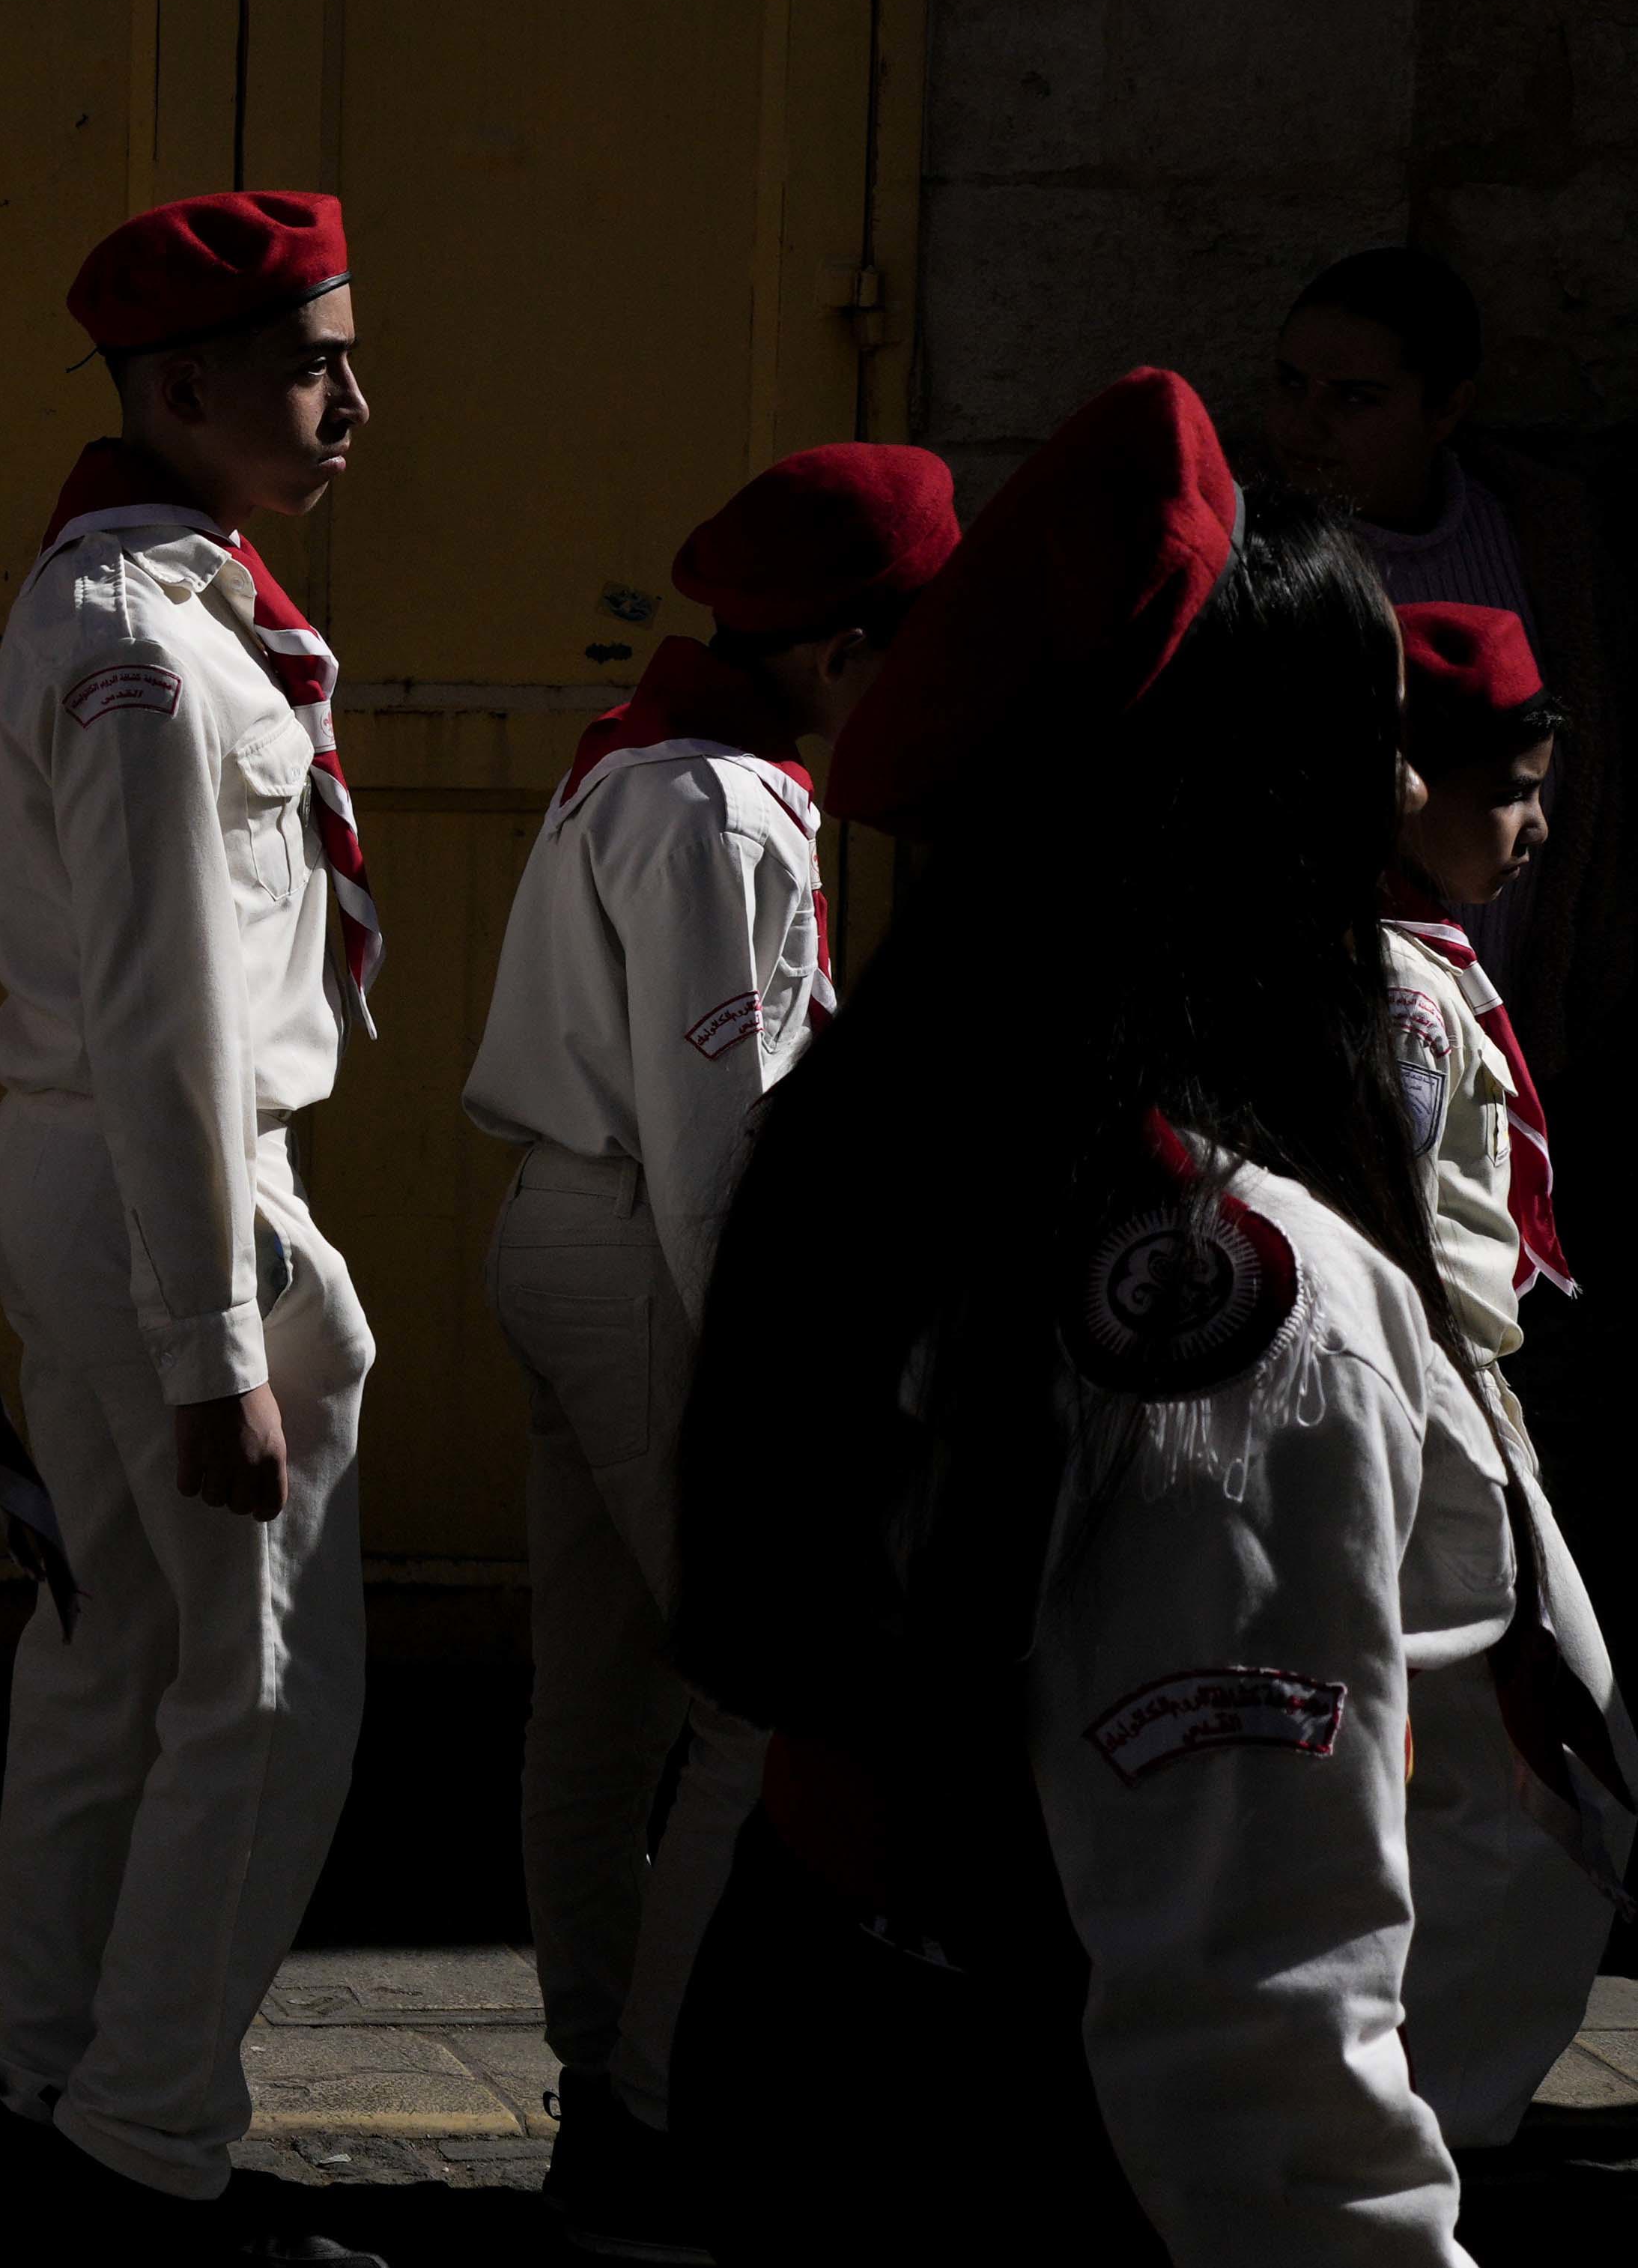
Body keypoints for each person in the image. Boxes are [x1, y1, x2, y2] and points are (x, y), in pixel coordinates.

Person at [664, 369, 1565, 2264]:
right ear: (1253, 803)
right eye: (1369, 744)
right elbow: (1248, 1994)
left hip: (831, 2058)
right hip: (1033, 2131)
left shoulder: (915, 1117)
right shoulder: (1222, 1293)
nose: (1405, 798)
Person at [455, 440, 960, 2258]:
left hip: (570, 1232)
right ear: (843, 650)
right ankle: (652, 2110)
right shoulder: (716, 806)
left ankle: (605, 2074)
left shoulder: (646, 756)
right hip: (656, 1257)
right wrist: (791, 1371)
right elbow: (712, 1134)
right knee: (755, 1692)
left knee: (592, 1700)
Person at [0, 190, 391, 2267]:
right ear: (184, 387)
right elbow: (156, 1006)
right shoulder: (139, 637)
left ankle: (57, 2099)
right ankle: (137, 2150)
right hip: (167, 1171)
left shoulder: (172, 601)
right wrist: (213, 1333)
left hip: (117, 1162)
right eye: (312, 363)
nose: (350, 403)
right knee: (259, 1684)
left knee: (116, 1660)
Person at [1376, 604, 1631, 2176]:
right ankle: (1426, 2135)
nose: (1536, 830)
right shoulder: (1394, 991)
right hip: (1427, 1414)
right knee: (1562, 1788)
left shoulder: (1410, 960)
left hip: (1449, 1401)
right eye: (1509, 792)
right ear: (1403, 785)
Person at [1273, 246, 1608, 1070]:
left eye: (1355, 399)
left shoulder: (1541, 542)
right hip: (1329, 1042)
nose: (1302, 424)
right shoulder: (1263, 568)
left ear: (1448, 406)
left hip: (1508, 1027)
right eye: (1290, 385)